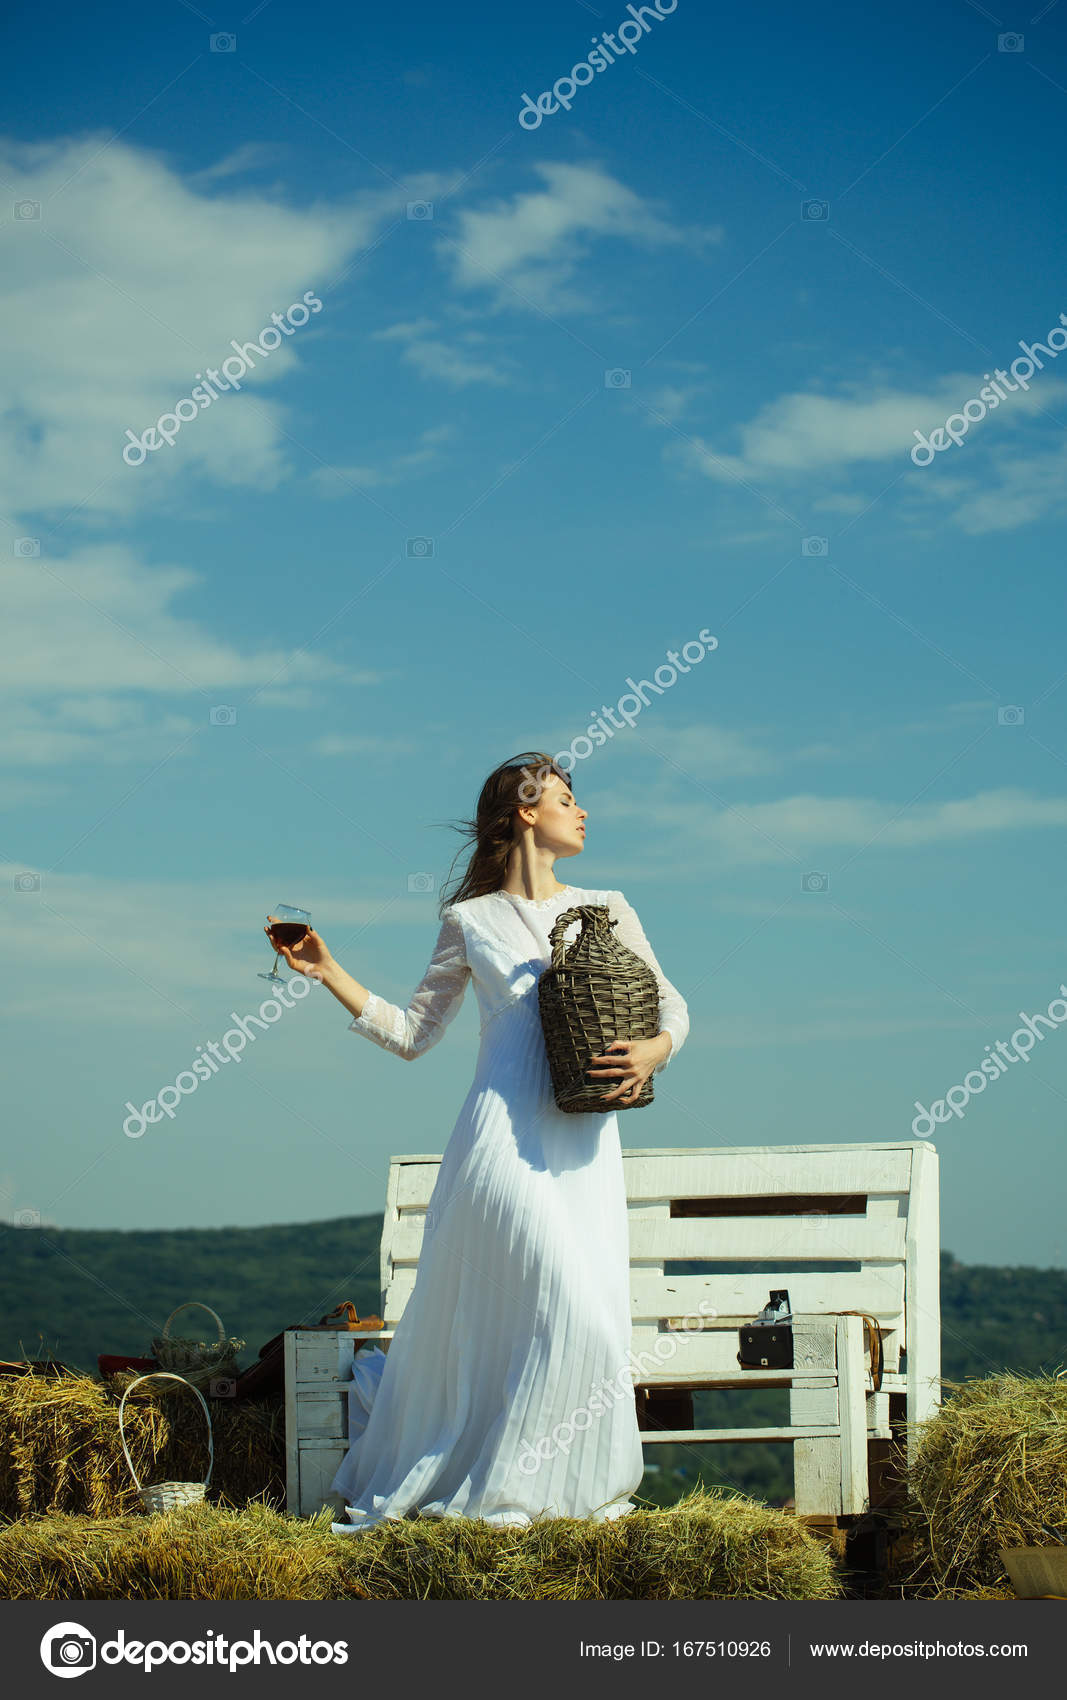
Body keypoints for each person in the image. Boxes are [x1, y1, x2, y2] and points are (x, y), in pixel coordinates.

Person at [266, 750, 689, 1531]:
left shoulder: (609, 906)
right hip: (500, 1142)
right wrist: (328, 972)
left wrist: (652, 1053)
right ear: (526, 810)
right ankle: (501, 1489)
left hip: (585, 1144)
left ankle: (551, 1485)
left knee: (584, 1314)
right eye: (566, 798)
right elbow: (413, 1034)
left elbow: (671, 1008)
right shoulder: (470, 920)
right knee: (565, 1302)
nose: (583, 811)